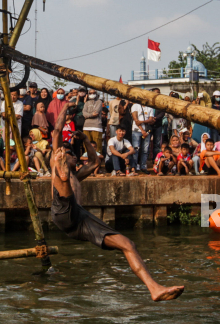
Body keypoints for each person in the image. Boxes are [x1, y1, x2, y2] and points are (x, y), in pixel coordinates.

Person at [49, 105, 184, 301]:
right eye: (69, 155)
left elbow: (95, 163)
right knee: (61, 175)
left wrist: (86, 140)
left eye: (71, 155)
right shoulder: (58, 158)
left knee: (128, 244)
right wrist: (66, 107)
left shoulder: (77, 176)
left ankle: (154, 289)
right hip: (62, 209)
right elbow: (56, 131)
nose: (72, 156)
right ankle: (60, 177)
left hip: (77, 219)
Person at [130, 99, 155, 173]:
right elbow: (136, 120)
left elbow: (151, 120)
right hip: (136, 130)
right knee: (136, 149)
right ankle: (134, 166)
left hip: (147, 131)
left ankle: (143, 166)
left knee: (145, 150)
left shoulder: (150, 107)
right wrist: (142, 130)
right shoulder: (135, 106)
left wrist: (142, 122)